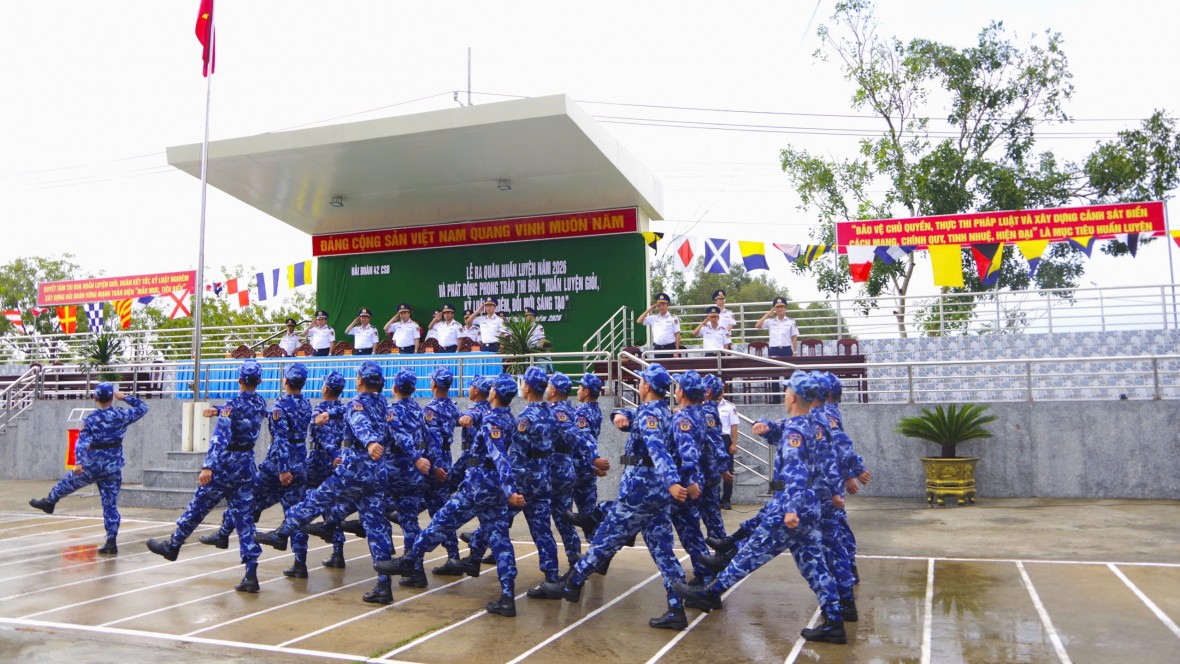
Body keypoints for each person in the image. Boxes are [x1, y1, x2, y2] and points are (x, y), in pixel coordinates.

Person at [675, 372, 847, 645]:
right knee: (814, 564)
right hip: (812, 506)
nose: (785, 394)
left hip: (790, 508)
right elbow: (830, 460)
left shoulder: (795, 430)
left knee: (750, 554)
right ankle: (836, 620)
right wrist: (836, 491)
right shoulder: (817, 425)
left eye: (787, 391)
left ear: (792, 397)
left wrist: (790, 508)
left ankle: (710, 593)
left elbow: (795, 472)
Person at [537, 364, 694, 631]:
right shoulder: (661, 412)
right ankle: (676, 607)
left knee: (604, 540)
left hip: (640, 490)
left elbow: (658, 451)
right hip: (654, 494)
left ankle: (572, 583)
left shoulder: (651, 416)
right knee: (663, 551)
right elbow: (627, 418)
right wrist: (620, 414)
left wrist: (672, 481)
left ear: (646, 386)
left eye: (641, 382)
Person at [376, 374, 525, 618]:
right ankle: (507, 596)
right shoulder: (509, 418)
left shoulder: (492, 422)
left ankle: (411, 559)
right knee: (500, 541)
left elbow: (500, 458)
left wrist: (512, 491)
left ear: (495, 394)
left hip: (478, 487)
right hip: (493, 489)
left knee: (440, 522)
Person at [256, 361, 396, 605]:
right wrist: (330, 413)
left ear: (360, 380)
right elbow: (346, 411)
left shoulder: (356, 405)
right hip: (377, 474)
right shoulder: (382, 403)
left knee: (315, 500)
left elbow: (360, 422)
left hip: (353, 471)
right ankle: (384, 585)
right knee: (375, 526)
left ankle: (282, 533)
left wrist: (371, 441)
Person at [146, 360, 268, 593]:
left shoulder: (232, 405)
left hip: (224, 467)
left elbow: (220, 436)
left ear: (239, 380)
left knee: (198, 508)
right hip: (245, 468)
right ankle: (251, 573)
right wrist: (217, 408)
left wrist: (208, 466)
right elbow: (243, 410)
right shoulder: (260, 402)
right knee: (245, 520)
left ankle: (173, 545)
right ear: (259, 382)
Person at [199, 364, 314, 580]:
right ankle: (300, 562)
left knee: (245, 501)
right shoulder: (307, 405)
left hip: (278, 466)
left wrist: (282, 469)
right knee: (296, 512)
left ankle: (224, 533)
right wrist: (218, 408)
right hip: (300, 462)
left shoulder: (280, 406)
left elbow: (280, 440)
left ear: (286, 382)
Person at [29, 383, 149, 554]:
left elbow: (82, 443)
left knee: (68, 482)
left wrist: (79, 462)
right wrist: (125, 397)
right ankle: (111, 541)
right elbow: (143, 407)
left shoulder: (91, 420)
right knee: (110, 505)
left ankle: (50, 502)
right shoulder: (122, 415)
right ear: (111, 397)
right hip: (113, 467)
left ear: (95, 398)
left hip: (92, 465)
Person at [421, 367, 465, 576]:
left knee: (440, 511)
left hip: (435, 462)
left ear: (434, 384)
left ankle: (453, 556)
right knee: (436, 505)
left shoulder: (431, 409)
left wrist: (436, 465)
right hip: (446, 458)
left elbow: (434, 441)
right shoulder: (452, 406)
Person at [306, 370, 349, 569]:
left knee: (307, 500)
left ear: (326, 389)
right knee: (334, 503)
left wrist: (333, 456)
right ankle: (337, 550)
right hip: (339, 461)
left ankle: (301, 553)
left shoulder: (321, 410)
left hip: (321, 460)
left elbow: (323, 437)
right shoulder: (343, 410)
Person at [544, 372, 582, 569]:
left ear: (554, 390)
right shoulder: (568, 409)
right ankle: (576, 561)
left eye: (549, 385)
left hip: (555, 470)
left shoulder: (558, 412)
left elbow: (573, 437)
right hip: (563, 468)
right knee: (564, 519)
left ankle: (481, 540)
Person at [697, 374, 733, 539]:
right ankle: (722, 548)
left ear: (708, 391)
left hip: (704, 472)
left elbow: (715, 442)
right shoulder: (706, 410)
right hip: (708, 472)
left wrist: (723, 467)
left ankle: (720, 550)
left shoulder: (707, 413)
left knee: (704, 515)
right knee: (712, 515)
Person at [710, 375, 740, 511]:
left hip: (725, 439)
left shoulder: (729, 406)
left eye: (722, 389)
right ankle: (714, 499)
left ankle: (726, 499)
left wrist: (734, 443)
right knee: (713, 469)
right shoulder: (706, 406)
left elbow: (734, 426)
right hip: (711, 439)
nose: (721, 391)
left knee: (728, 469)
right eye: (719, 388)